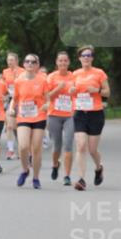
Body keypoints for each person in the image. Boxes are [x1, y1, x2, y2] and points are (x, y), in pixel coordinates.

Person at [70, 45, 110, 191]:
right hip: (80, 113)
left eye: (89, 55)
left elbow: (107, 92)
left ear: (92, 58)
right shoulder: (75, 74)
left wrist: (97, 90)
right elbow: (71, 92)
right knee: (80, 146)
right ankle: (81, 179)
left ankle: (99, 168)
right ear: (79, 58)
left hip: (96, 114)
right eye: (83, 55)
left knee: (92, 150)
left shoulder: (99, 73)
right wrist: (71, 91)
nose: (86, 57)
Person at [9, 54, 48, 188]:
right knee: (23, 146)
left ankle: (36, 178)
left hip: (39, 116)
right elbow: (15, 98)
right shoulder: (19, 81)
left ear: (37, 65)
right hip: (24, 116)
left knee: (36, 148)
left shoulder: (43, 80)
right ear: (24, 64)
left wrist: (47, 105)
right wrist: (11, 108)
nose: (30, 64)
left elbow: (48, 99)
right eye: (27, 61)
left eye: (33, 62)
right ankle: (25, 170)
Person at [45, 51, 76, 186]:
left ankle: (67, 176)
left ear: (68, 62)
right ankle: (55, 164)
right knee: (57, 146)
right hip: (54, 115)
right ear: (57, 63)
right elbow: (46, 97)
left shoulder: (74, 76)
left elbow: (79, 93)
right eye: (60, 61)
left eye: (65, 61)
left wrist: (74, 91)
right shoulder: (51, 77)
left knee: (68, 144)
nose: (63, 63)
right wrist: (58, 88)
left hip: (70, 115)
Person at [2, 52, 23, 159]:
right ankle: (10, 150)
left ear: (16, 61)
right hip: (10, 100)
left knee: (18, 127)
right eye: (8, 60)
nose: (9, 62)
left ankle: (22, 148)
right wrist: (4, 95)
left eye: (11, 60)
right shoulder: (5, 72)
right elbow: (5, 86)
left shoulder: (22, 71)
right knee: (9, 126)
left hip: (21, 101)